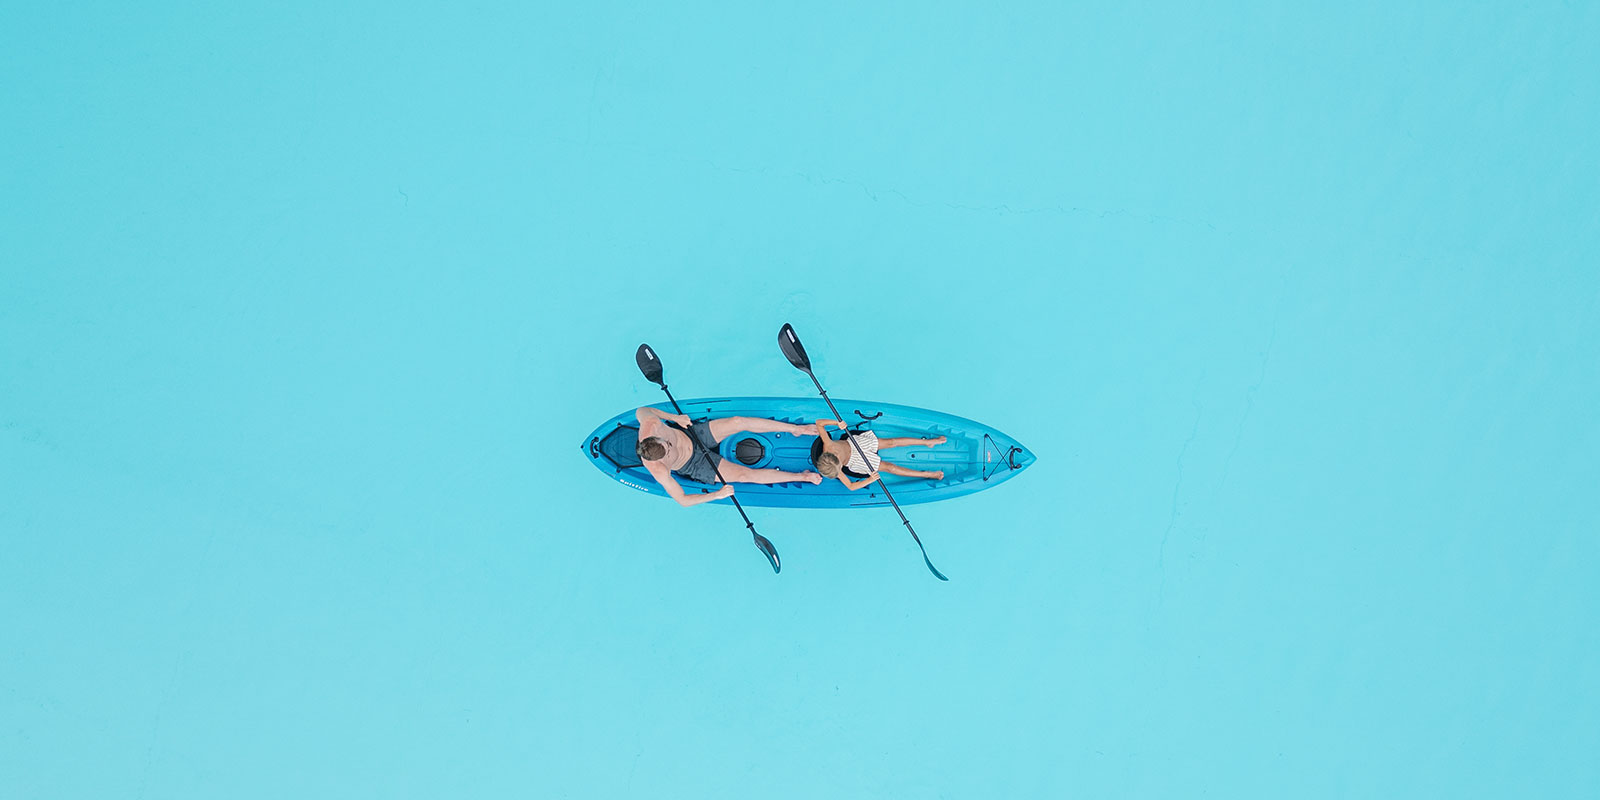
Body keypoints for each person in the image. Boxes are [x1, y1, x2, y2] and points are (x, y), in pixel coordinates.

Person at [635, 407, 822, 506]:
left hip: (693, 434)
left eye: (667, 444)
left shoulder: (650, 423)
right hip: (694, 464)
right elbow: (683, 500)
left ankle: (797, 429)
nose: (670, 446)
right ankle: (802, 476)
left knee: (738, 422)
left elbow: (644, 409)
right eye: (668, 452)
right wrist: (717, 495)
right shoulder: (658, 470)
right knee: (744, 476)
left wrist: (675, 419)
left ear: (657, 436)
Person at [810, 419, 945, 490]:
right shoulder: (836, 470)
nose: (840, 469)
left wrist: (837, 423)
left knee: (891, 443)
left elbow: (819, 423)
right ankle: (927, 474)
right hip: (857, 461)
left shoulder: (828, 444)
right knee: (889, 467)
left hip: (856, 444)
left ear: (834, 455)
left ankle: (928, 442)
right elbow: (851, 486)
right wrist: (869, 480)